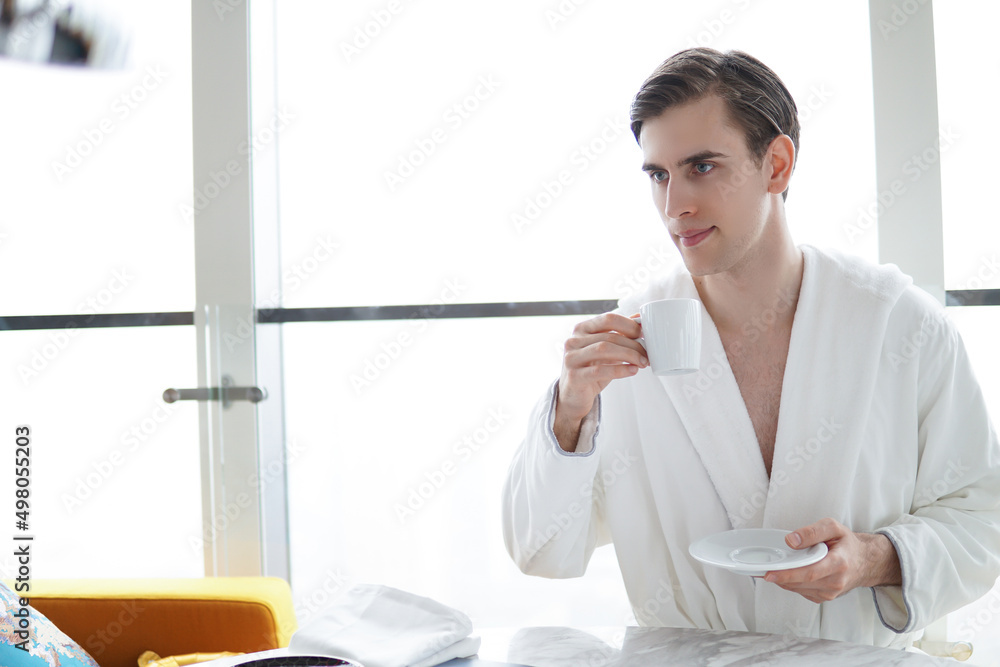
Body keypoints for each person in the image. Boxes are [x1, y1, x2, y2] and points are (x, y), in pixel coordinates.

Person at [501, 47, 1000, 650]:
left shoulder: (899, 325)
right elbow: (540, 549)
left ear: (777, 166)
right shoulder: (623, 348)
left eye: (702, 167)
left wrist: (873, 558)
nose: (674, 206)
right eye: (658, 175)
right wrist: (569, 410)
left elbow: (982, 518)